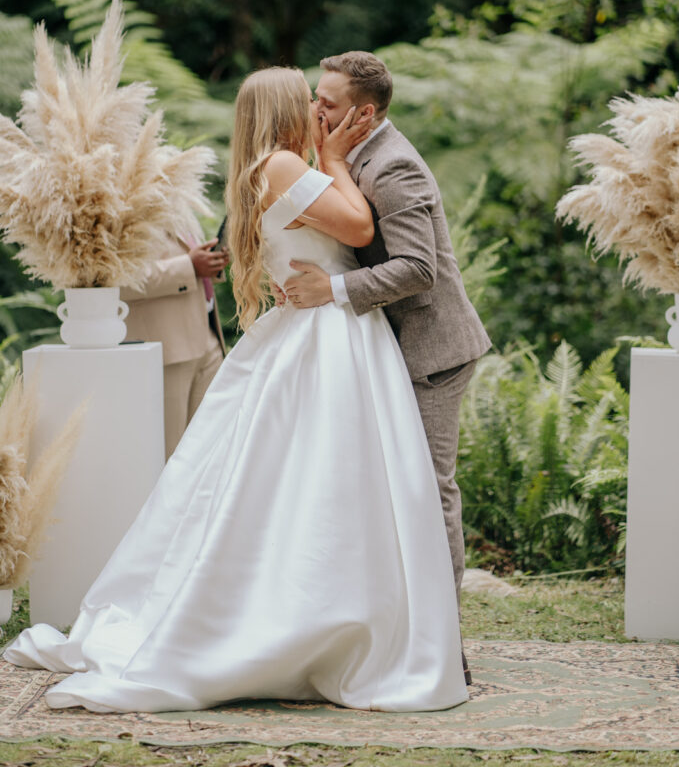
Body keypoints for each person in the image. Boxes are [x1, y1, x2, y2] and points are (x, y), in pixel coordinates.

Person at [4, 67, 468, 714]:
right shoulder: (282, 166)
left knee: (335, 484)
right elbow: (359, 230)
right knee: (324, 481)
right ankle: (313, 629)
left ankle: (360, 617)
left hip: (332, 332)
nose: (316, 107)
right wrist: (333, 156)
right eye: (307, 99)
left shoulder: (268, 167)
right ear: (283, 109)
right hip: (325, 337)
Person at [283, 51, 491, 683]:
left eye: (327, 103)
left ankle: (443, 644)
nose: (315, 110)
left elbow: (419, 269)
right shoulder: (345, 156)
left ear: (363, 112)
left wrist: (333, 292)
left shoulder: (394, 165)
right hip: (381, 351)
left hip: (431, 354)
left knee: (428, 493)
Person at [121, 234, 228, 459]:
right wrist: (188, 266)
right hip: (168, 351)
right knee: (172, 454)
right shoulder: (121, 208)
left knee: (211, 449)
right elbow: (116, 280)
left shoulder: (182, 203)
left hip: (208, 342)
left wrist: (212, 262)